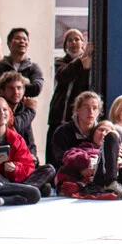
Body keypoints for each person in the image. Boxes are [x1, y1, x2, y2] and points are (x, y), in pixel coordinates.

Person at [49, 91, 122, 198]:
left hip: (120, 180)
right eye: (86, 107)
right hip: (85, 175)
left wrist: (119, 159)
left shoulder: (107, 135)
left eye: (94, 108)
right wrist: (84, 166)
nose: (90, 112)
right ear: (77, 109)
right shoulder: (65, 132)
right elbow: (62, 159)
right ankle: (111, 183)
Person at [0, 96, 56, 194]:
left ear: (9, 113)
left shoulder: (16, 138)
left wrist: (15, 169)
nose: (2, 113)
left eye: (5, 109)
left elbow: (28, 165)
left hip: (18, 180)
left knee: (49, 169)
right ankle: (29, 189)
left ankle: (20, 190)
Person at [47, 29, 93, 166]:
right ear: (65, 45)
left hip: (76, 117)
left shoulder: (90, 63)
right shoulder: (60, 61)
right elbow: (64, 75)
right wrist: (81, 60)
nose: (74, 42)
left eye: (77, 39)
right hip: (59, 115)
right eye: (70, 40)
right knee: (53, 153)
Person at [0, 28, 43, 98]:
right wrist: (26, 81)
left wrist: (7, 84)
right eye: (18, 38)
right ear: (9, 43)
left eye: (25, 39)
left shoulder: (33, 67)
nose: (22, 41)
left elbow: (36, 88)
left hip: (25, 107)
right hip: (3, 107)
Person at [0, 71, 38, 158]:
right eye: (11, 88)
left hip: (22, 158)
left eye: (19, 88)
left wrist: (33, 156)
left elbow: (30, 140)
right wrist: (31, 111)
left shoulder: (23, 108)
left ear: (23, 90)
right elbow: (15, 126)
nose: (16, 92)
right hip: (4, 158)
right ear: (2, 91)